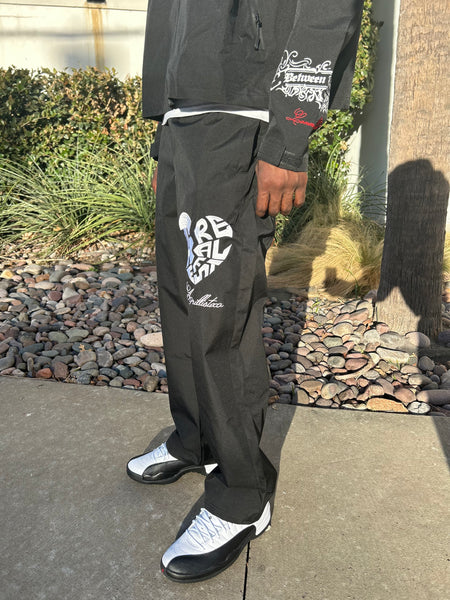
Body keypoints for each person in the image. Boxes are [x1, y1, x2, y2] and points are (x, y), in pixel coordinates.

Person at [127, 0, 364, 583]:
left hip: (242, 117)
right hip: (184, 122)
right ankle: (196, 438)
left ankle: (241, 496)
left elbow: (329, 9)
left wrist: (289, 136)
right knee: (182, 301)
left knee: (219, 316)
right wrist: (163, 129)